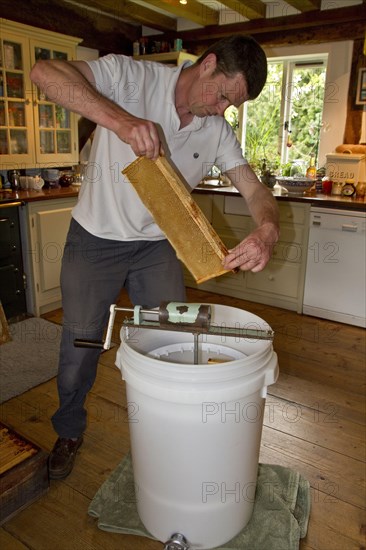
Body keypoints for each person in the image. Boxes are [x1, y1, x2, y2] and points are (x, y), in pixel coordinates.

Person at [30, 35, 280, 479]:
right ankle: (69, 429)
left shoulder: (215, 131)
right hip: (95, 239)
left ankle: (168, 433)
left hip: (157, 246)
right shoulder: (129, 77)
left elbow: (255, 189)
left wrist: (267, 229)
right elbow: (44, 74)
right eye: (222, 95)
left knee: (171, 336)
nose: (221, 110)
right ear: (208, 64)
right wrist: (123, 122)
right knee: (81, 346)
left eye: (230, 105)